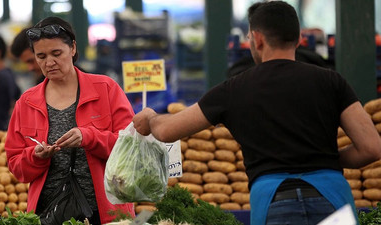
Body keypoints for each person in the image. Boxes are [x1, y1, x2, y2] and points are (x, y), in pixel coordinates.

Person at [133, 1, 381, 225]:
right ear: (298, 39)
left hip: (274, 201)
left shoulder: (233, 89)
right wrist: (328, 159)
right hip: (333, 199)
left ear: (257, 39)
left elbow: (166, 131)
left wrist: (151, 118)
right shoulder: (331, 81)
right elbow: (371, 147)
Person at [4, 16, 135, 224]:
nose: (49, 62)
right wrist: (36, 156)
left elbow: (131, 148)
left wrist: (90, 137)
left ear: (73, 48)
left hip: (106, 214)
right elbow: (15, 165)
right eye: (41, 56)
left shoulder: (106, 89)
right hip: (48, 213)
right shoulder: (26, 103)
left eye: (57, 53)